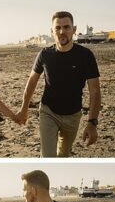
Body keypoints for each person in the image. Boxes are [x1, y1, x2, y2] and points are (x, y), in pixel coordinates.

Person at [18, 11, 101, 157]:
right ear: (52, 31)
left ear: (74, 29)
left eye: (66, 27)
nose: (62, 32)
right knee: (48, 157)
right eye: (57, 28)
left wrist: (92, 122)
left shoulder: (85, 56)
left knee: (64, 155)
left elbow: (95, 91)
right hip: (48, 112)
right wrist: (24, 109)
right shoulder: (45, 54)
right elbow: (32, 81)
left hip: (73, 115)